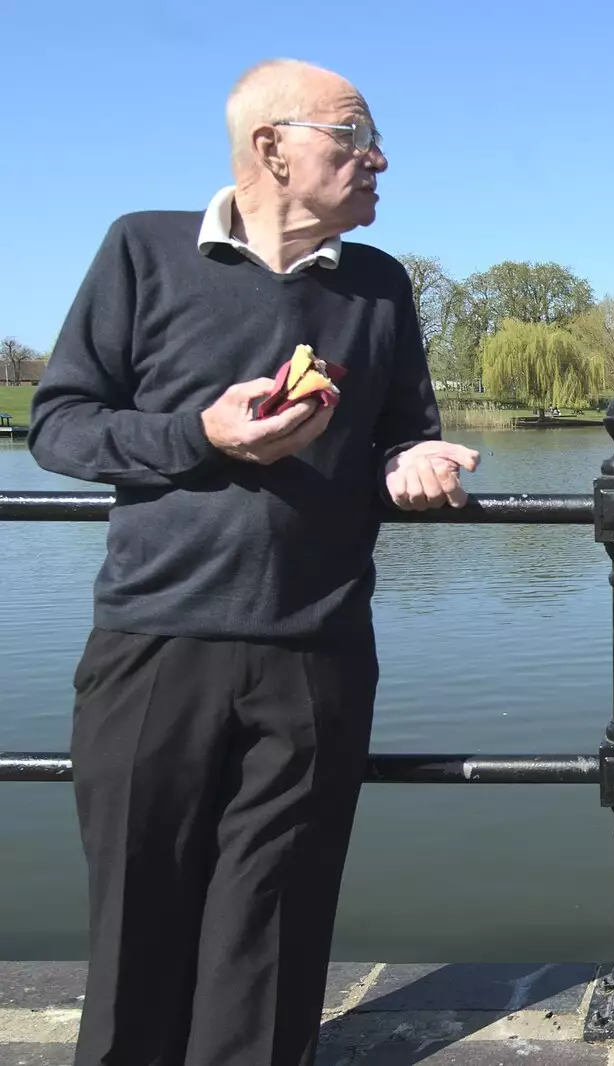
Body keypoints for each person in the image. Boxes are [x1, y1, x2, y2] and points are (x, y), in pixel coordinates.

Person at [28, 58, 479, 1066]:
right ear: (273, 147)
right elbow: (57, 427)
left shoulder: (378, 283)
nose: (379, 158)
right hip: (152, 648)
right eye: (353, 136)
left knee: (273, 938)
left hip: (314, 651)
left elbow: (405, 430)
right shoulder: (142, 248)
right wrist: (202, 434)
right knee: (137, 927)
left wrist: (417, 460)